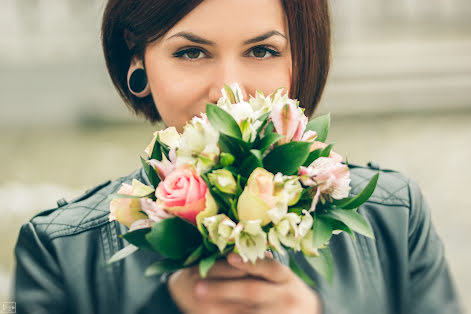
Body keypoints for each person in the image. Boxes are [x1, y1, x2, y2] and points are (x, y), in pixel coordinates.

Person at [13, 0, 463, 313]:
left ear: (301, 58)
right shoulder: (59, 252)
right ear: (139, 64)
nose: (229, 92)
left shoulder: (395, 218)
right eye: (191, 52)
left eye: (262, 50)